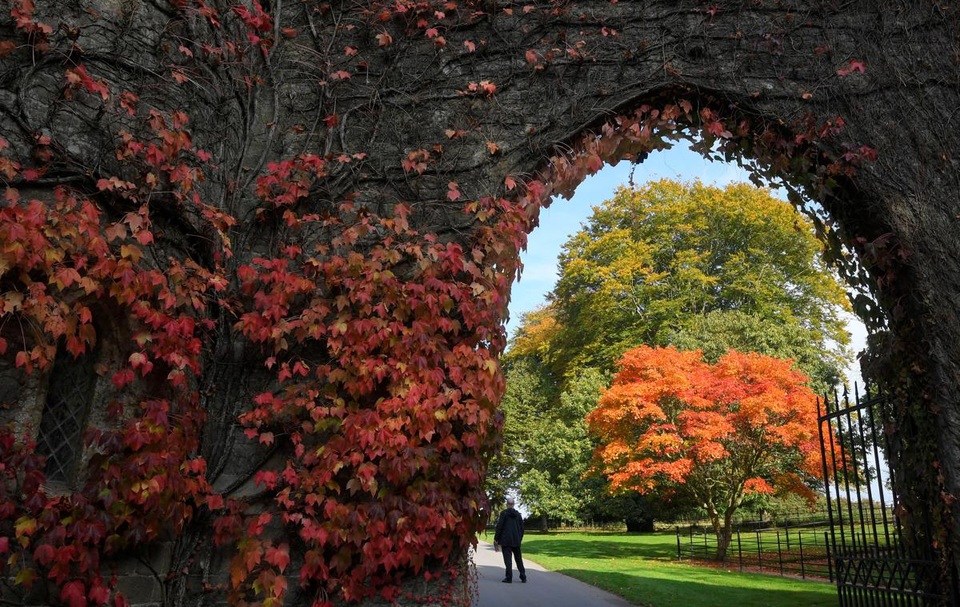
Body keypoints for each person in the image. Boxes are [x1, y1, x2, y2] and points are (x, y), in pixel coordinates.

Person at [493, 497, 526, 583]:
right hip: (516, 540)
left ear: (507, 504)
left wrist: (496, 538)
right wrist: (519, 538)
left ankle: (509, 577)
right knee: (518, 559)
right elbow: (522, 529)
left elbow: (499, 527)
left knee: (508, 560)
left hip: (506, 540)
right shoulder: (518, 515)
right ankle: (523, 575)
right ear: (513, 504)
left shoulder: (504, 514)